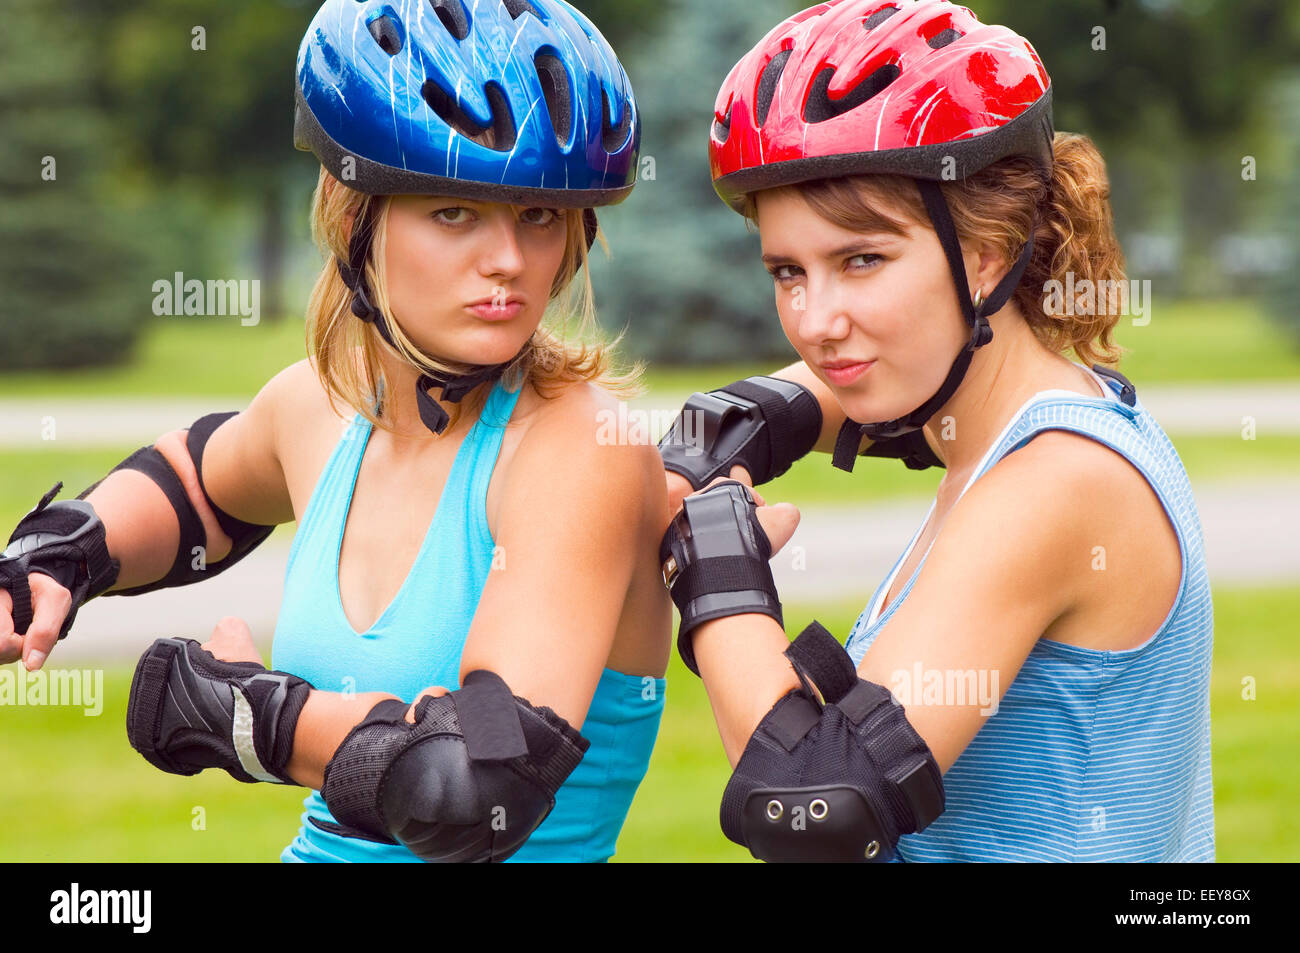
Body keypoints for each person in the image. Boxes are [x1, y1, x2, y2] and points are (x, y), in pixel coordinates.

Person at [0, 0, 670, 863]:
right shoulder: (319, 409)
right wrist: (59, 555)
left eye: (536, 215)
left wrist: (246, 713)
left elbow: (472, 790)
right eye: (455, 211)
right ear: (356, 218)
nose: (507, 258)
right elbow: (196, 483)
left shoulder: (579, 448)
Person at [656, 0, 1213, 862]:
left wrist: (711, 556)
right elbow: (786, 401)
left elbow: (811, 807)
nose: (816, 320)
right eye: (787, 271)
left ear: (985, 252)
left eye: (861, 260)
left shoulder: (1056, 482)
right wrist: (721, 435)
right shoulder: (1034, 414)